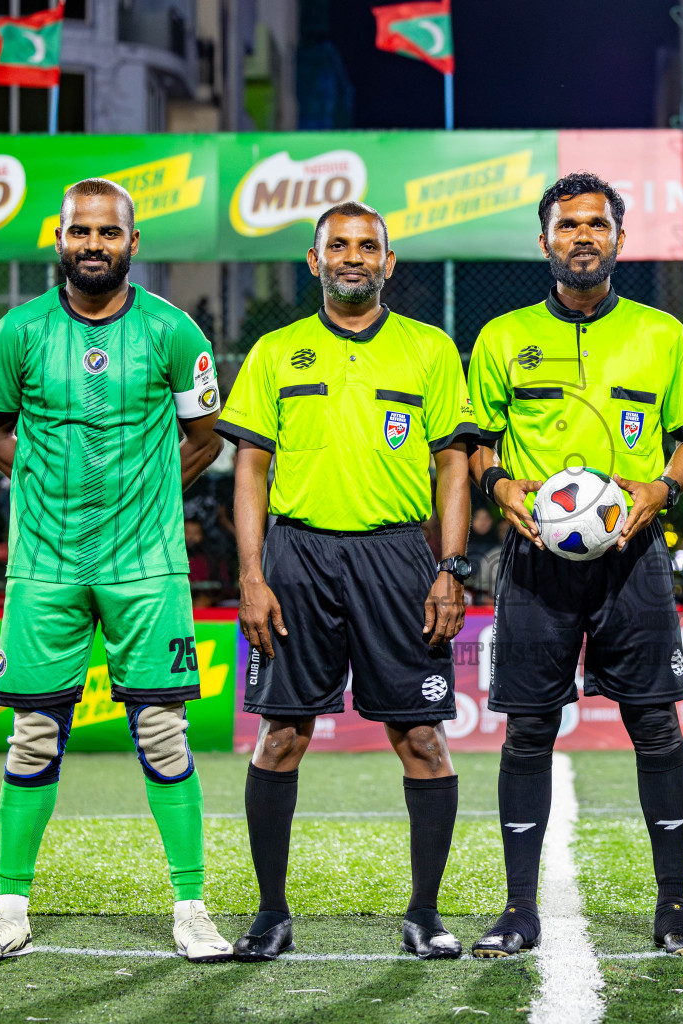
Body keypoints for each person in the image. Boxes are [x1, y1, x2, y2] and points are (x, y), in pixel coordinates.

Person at [0, 178, 229, 966]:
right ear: (60, 239)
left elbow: (206, 437)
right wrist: (43, 481)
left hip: (147, 568)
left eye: (110, 233)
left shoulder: (176, 333)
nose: (95, 245)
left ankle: (191, 906)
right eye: (82, 231)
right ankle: (9, 910)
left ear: (134, 243)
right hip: (45, 566)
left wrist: (140, 495)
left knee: (163, 733)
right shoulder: (19, 332)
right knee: (35, 733)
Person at [216, 200, 477, 962]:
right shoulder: (276, 351)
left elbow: (453, 465)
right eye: (340, 245)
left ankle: (424, 914)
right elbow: (251, 471)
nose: (354, 256)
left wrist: (451, 568)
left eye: (369, 246)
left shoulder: (429, 351)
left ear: (389, 263)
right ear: (315, 260)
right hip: (296, 560)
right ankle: (271, 914)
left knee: (421, 738)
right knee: (281, 736)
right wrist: (252, 574)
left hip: (398, 559)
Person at [467, 172, 683, 959]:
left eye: (596, 225)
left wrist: (663, 488)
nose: (582, 237)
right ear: (544, 241)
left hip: (633, 560)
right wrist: (500, 484)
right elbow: (477, 440)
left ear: (619, 240)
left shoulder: (662, 335)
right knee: (529, 728)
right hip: (537, 563)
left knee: (655, 725)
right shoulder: (502, 337)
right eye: (567, 225)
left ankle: (673, 907)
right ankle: (516, 909)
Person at [184, 517, 229, 609]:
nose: (191, 537)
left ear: (202, 535)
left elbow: (227, 588)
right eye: (187, 532)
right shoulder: (174, 561)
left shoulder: (213, 561)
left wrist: (209, 600)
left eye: (195, 533)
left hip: (210, 609)